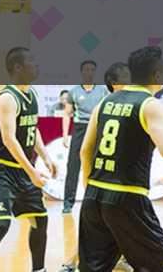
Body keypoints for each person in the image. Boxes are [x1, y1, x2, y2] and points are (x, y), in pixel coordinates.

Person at [78, 46, 163, 272]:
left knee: (93, 268)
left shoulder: (105, 102)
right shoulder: (151, 105)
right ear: (157, 75)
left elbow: (85, 151)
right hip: (128, 198)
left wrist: (89, 188)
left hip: (94, 195)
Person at [0, 47, 56, 272]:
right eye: (32, 61)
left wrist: (46, 157)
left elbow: (32, 128)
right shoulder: (7, 98)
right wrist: (32, 172)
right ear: (18, 67)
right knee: (1, 225)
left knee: (40, 219)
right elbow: (9, 139)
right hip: (1, 170)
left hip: (21, 170)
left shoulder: (31, 93)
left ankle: (39, 270)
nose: (37, 65)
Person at [59, 61, 134, 272]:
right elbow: (84, 150)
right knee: (99, 217)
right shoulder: (80, 94)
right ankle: (71, 260)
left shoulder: (106, 97)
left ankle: (120, 257)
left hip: (111, 179)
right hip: (103, 172)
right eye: (124, 78)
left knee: (107, 220)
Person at [62, 60, 109, 214]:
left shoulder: (103, 90)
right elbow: (67, 114)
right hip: (80, 129)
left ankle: (97, 202)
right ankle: (68, 203)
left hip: (97, 128)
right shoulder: (74, 91)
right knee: (73, 166)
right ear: (82, 72)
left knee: (98, 166)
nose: (89, 72)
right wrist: (65, 135)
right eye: (86, 70)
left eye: (92, 70)